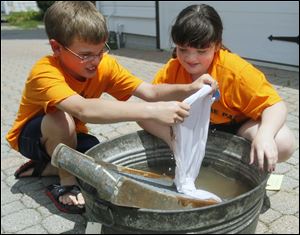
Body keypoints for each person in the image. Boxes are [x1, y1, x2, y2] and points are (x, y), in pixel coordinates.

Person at [6, 2, 217, 214]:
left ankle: (46, 167)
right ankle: (66, 183)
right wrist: (153, 111)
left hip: (73, 134)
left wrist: (190, 88)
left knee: (100, 161)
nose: (95, 61)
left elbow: (150, 91)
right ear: (56, 48)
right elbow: (83, 109)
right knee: (60, 119)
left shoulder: (104, 65)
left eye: (101, 51)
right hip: (33, 136)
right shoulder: (45, 72)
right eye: (86, 54)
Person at [142, 4, 296, 173]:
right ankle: (178, 143)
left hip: (235, 126)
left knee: (284, 142)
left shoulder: (235, 71)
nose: (190, 58)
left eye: (201, 51)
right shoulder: (173, 68)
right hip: (193, 125)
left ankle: (242, 163)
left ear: (216, 46)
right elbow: (149, 103)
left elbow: (275, 105)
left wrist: (265, 134)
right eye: (182, 49)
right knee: (143, 113)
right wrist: (172, 137)